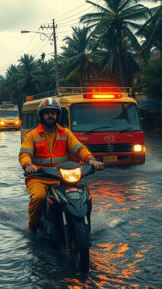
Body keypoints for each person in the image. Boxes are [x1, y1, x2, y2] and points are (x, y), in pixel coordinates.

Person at [19, 97, 104, 233]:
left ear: (58, 115)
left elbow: (80, 149)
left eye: (53, 113)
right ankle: (32, 226)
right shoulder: (32, 135)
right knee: (38, 197)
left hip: (62, 177)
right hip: (39, 177)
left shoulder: (65, 133)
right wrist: (28, 164)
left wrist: (91, 160)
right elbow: (24, 153)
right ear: (41, 115)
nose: (50, 116)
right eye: (47, 113)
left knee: (84, 194)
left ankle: (85, 222)